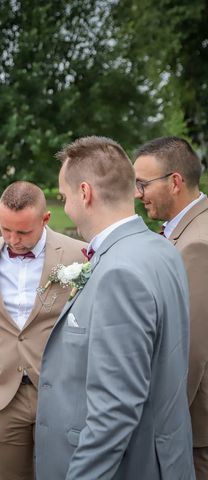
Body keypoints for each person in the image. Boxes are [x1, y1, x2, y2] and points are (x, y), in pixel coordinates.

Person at [35, 136, 195, 479]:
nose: (67, 207)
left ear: (85, 193)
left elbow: (115, 410)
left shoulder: (119, 271)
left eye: (64, 198)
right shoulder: (161, 247)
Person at [0, 181, 85, 479]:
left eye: (23, 232)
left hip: (61, 392)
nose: (13, 240)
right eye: (5, 229)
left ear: (45, 219)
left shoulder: (79, 254)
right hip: (0, 395)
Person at [133, 136, 208, 478]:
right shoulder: (185, 232)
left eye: (143, 184)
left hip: (195, 425)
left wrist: (162, 422)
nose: (138, 193)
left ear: (175, 182)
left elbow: (190, 347)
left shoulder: (196, 245)